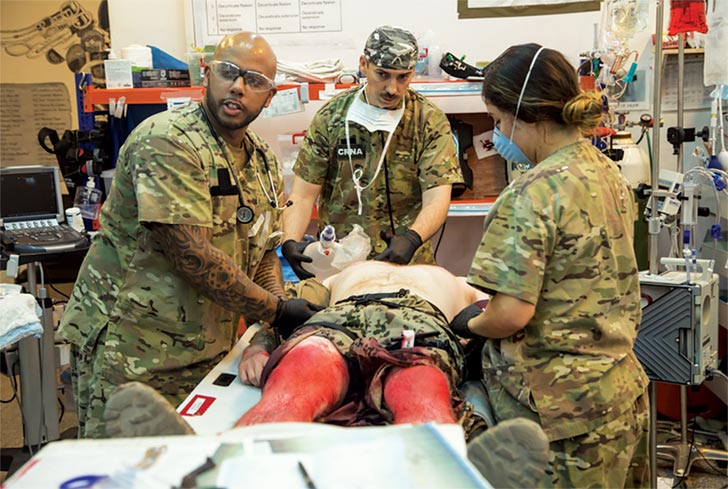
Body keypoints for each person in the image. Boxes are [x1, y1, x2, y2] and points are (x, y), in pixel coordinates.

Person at [58, 32, 322, 438]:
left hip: (202, 350)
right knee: (124, 468)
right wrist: (277, 311)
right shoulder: (167, 140)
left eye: (254, 80)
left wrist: (266, 331)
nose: (238, 86)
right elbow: (191, 255)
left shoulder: (264, 160)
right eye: (229, 72)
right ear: (207, 74)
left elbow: (265, 251)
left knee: (186, 467)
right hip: (129, 348)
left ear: (268, 97)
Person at [104, 261, 551, 489]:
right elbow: (283, 309)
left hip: (418, 324)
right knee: (300, 375)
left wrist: (472, 343)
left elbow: (495, 316)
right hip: (337, 320)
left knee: (420, 386)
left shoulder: (454, 276)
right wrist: (258, 346)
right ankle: (212, 469)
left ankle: (447, 474)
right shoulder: (344, 273)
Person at [449, 43, 650, 488]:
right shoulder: (604, 169)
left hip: (559, 419)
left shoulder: (529, 194)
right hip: (619, 391)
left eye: (499, 122)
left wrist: (471, 324)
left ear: (528, 115)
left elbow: (509, 315)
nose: (499, 135)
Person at [281, 25, 463, 279]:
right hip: (340, 264)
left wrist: (412, 238)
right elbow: (302, 195)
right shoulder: (332, 118)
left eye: (403, 77)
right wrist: (289, 242)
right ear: (363, 64)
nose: (392, 89)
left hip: (407, 264)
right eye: (382, 74)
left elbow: (437, 198)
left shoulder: (428, 120)